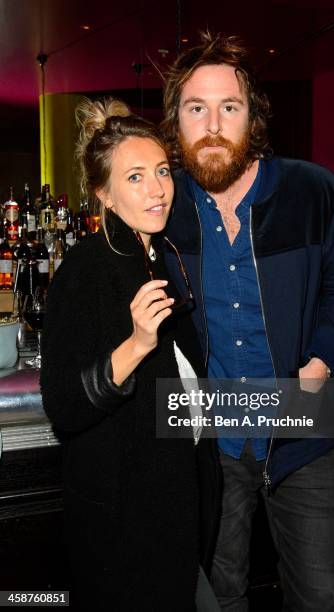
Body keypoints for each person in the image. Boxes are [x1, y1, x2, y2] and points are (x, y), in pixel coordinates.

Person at [161, 33, 334, 611]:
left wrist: (322, 357)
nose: (212, 124)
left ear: (252, 116)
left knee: (315, 596)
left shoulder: (314, 191)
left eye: (228, 107)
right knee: (218, 595)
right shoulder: (163, 207)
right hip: (214, 445)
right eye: (195, 108)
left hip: (304, 435)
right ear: (175, 121)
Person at [40, 98, 221, 612]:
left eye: (162, 171)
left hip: (173, 506)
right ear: (105, 194)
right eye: (136, 177)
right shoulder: (85, 269)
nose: (158, 188)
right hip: (123, 524)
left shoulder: (161, 258)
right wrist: (137, 344)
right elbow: (64, 405)